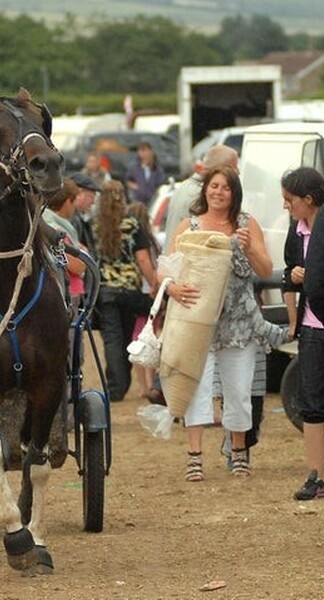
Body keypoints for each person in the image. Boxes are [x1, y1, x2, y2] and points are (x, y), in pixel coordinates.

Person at [167, 166, 272, 481]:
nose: (218, 192)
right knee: (197, 389)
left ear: (234, 193)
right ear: (205, 190)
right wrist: (172, 287)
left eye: (225, 187)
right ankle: (194, 456)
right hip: (198, 322)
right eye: (213, 186)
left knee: (238, 391)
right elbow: (167, 266)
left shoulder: (246, 224)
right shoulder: (190, 225)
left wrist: (249, 247)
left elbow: (265, 269)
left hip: (238, 323)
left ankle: (238, 451)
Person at [281, 167, 324, 500]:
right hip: (312, 325)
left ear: (308, 199)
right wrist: (295, 275)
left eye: (290, 200)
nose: (287, 206)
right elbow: (287, 272)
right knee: (312, 403)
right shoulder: (295, 233)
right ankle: (315, 476)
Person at [94, 180, 158, 403]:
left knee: (112, 338)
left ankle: (116, 387)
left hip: (105, 290)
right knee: (126, 338)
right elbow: (143, 259)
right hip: (130, 290)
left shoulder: (95, 225)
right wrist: (155, 285)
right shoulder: (132, 224)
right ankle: (122, 382)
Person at [164, 145, 239, 252]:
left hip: (172, 259)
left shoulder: (184, 186)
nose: (238, 172)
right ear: (221, 169)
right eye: (234, 167)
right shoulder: (204, 195)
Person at [126, 201, 162, 401]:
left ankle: (143, 385)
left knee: (138, 338)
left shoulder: (126, 239)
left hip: (137, 291)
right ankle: (149, 383)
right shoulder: (149, 241)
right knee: (147, 338)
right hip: (149, 293)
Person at [42, 178, 87, 312]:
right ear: (68, 202)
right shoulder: (55, 230)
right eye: (73, 203)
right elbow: (77, 265)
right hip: (66, 293)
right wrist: (82, 254)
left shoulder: (45, 223)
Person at [69, 172, 101, 259]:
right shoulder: (73, 220)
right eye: (91, 196)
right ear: (79, 194)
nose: (93, 202)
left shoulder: (76, 218)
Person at [125, 141, 166, 207]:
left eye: (146, 151)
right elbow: (128, 181)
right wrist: (137, 188)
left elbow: (161, 184)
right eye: (141, 151)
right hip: (137, 201)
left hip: (153, 202)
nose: (144, 154)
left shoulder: (157, 168)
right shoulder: (134, 168)